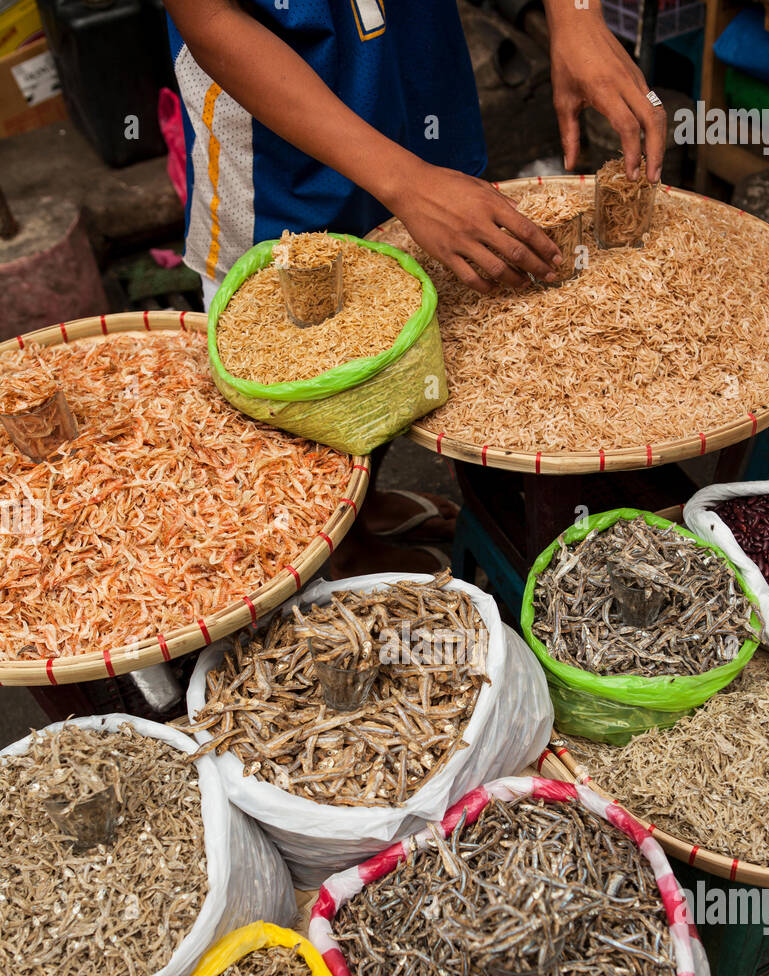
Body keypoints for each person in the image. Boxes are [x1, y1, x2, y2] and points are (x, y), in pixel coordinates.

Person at [164, 0, 666, 572]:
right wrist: (404, 182)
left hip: (408, 60)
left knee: (419, 315)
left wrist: (575, 17)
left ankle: (363, 503)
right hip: (274, 122)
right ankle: (333, 550)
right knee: (300, 357)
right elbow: (207, 18)